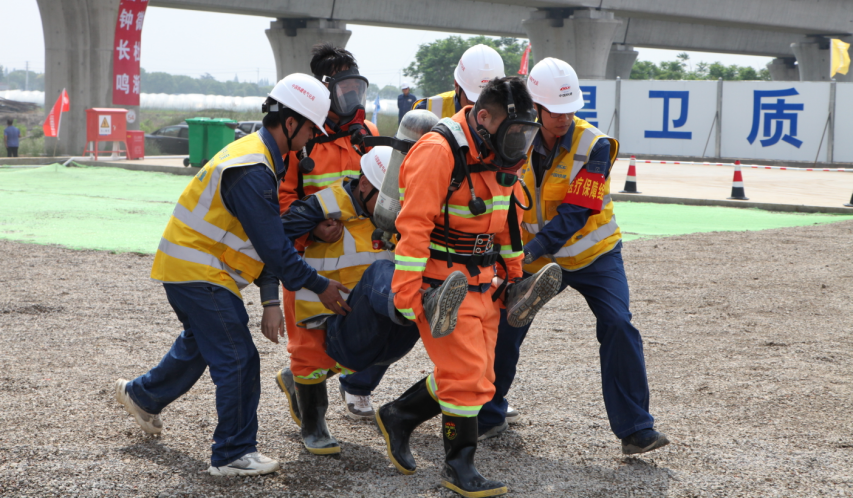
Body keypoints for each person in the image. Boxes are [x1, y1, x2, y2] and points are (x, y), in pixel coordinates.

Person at [114, 73, 351, 477]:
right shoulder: (253, 169)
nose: (312, 137)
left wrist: (279, 286)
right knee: (238, 357)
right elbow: (274, 249)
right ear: (290, 122)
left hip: (195, 268)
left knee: (201, 346)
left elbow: (264, 236)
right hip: (198, 271)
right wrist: (320, 285)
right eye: (311, 127)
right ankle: (232, 453)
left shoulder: (258, 158)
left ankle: (143, 396)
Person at [376, 77, 564, 498]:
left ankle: (400, 415)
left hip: (484, 280)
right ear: (483, 117)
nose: (520, 141)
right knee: (464, 376)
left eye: (525, 132)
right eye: (514, 132)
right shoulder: (437, 152)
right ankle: (459, 465)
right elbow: (414, 225)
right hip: (440, 282)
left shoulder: (503, 153)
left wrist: (515, 275)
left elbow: (507, 218)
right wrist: (406, 292)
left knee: (482, 374)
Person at [476, 57, 670, 456]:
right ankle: (488, 414)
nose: (563, 118)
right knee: (505, 326)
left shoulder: (595, 144)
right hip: (531, 256)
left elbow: (576, 212)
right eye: (553, 110)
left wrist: (526, 251)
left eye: (569, 110)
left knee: (618, 324)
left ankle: (636, 430)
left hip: (593, 256)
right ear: (535, 107)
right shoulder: (516, 137)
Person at [263, 146, 469, 455]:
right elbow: (271, 240)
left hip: (364, 320)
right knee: (313, 359)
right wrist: (312, 233)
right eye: (388, 202)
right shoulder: (322, 206)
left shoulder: (402, 216)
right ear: (363, 185)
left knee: (412, 305)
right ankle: (313, 423)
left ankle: (421, 307)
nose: (395, 211)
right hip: (322, 318)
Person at [275, 43, 388, 421]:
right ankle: (313, 422)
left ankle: (302, 382)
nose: (352, 97)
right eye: (344, 89)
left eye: (357, 88)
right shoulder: (299, 140)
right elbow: (283, 201)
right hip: (311, 263)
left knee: (364, 337)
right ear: (324, 91)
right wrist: (312, 228)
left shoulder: (369, 133)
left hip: (362, 260)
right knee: (308, 344)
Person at [413, 44, 504, 118]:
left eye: (490, 102)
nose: (480, 109)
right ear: (456, 85)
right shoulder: (427, 111)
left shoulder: (508, 111)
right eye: (472, 102)